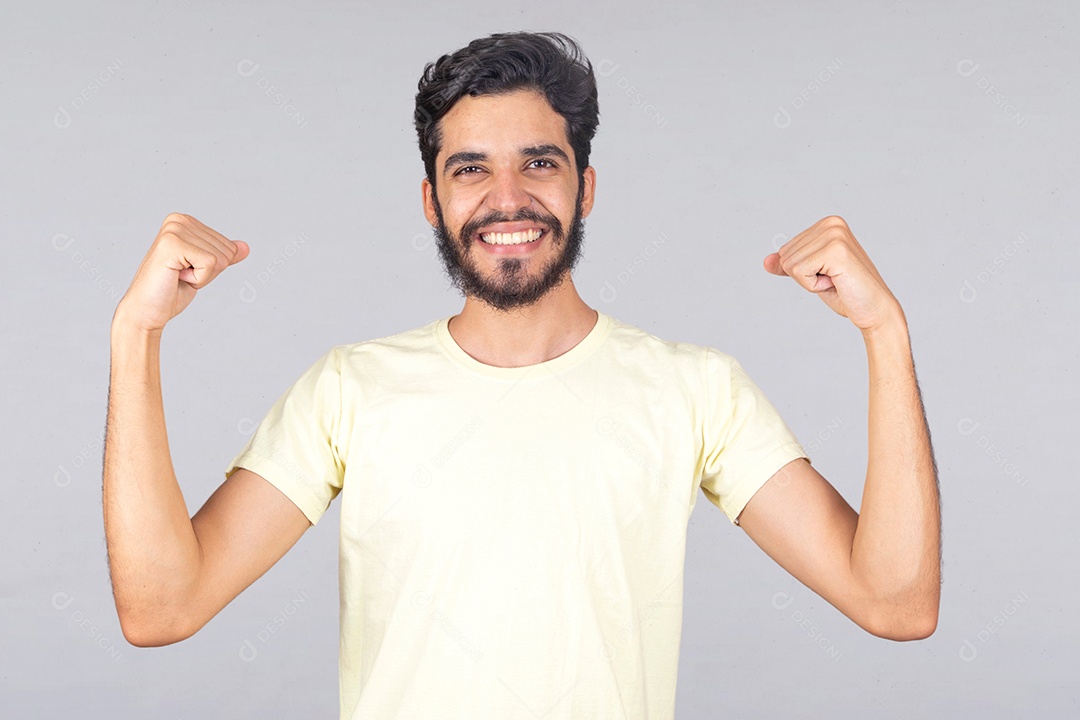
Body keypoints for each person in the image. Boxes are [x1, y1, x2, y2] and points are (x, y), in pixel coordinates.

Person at [103, 31, 940, 720]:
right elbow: (162, 608)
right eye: (470, 169)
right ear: (432, 199)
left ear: (586, 188)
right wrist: (136, 334)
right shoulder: (349, 391)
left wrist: (884, 331)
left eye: (539, 163)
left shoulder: (695, 392)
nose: (507, 198)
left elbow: (895, 603)